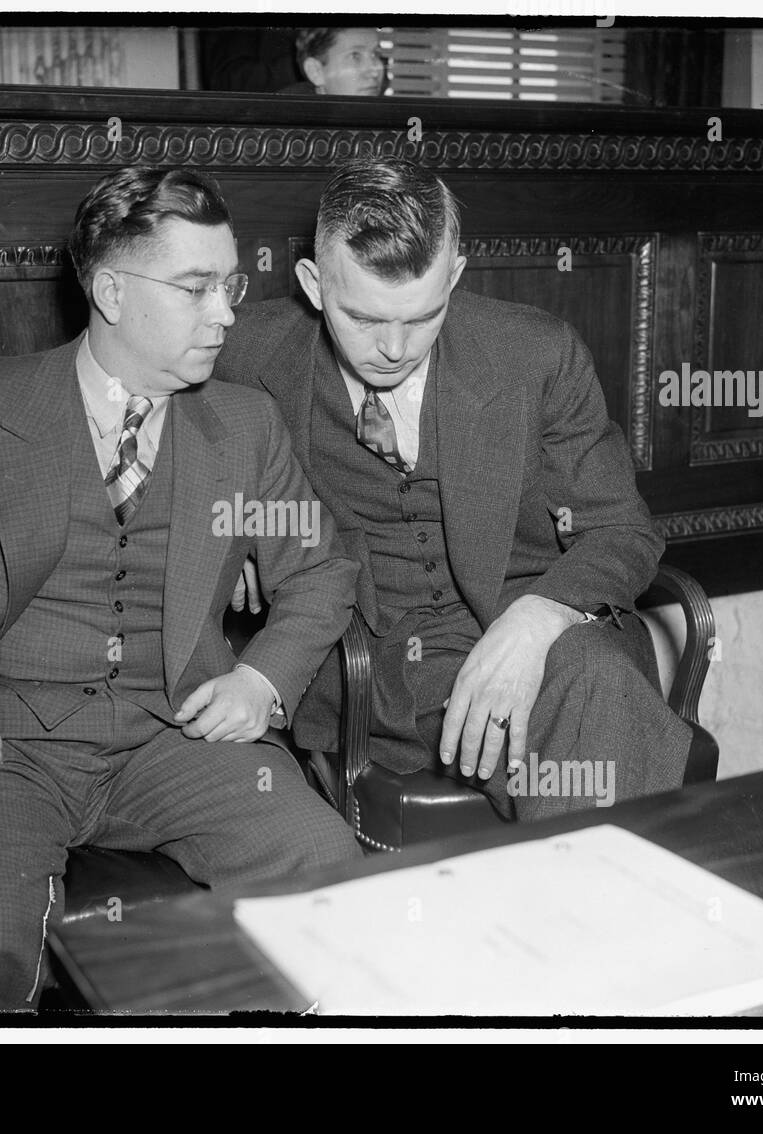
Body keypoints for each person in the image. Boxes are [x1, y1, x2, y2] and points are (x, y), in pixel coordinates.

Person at [0, 166, 363, 1010]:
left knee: (326, 869)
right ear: (111, 290)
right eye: (197, 288)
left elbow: (323, 570)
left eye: (230, 285)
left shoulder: (245, 425)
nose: (227, 311)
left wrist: (261, 677)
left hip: (172, 738)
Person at [217, 157, 692, 833]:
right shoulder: (247, 351)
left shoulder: (536, 354)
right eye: (363, 318)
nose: (392, 348)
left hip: (549, 656)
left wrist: (539, 617)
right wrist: (232, 531)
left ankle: (588, 923)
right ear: (313, 285)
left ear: (456, 279)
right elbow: (146, 430)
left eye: (422, 317)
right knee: (613, 741)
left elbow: (622, 529)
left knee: (597, 681)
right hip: (374, 672)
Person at [280, 28, 387, 96]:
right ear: (316, 72)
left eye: (376, 54)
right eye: (355, 56)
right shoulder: (282, 126)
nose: (375, 72)